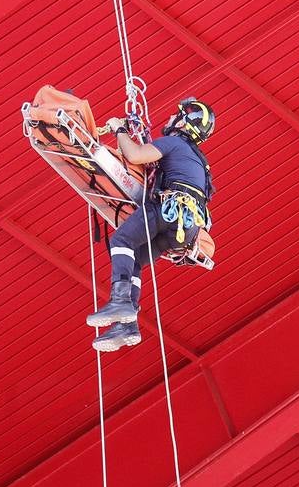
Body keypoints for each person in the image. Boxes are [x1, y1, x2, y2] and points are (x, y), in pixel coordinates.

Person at [87, 97, 215, 351]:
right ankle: (127, 324)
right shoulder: (199, 162)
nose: (170, 119)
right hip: (184, 231)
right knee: (132, 258)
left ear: (184, 122)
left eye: (176, 117)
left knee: (121, 241)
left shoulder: (175, 143)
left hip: (169, 210)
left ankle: (121, 301)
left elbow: (135, 155)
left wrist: (119, 129)